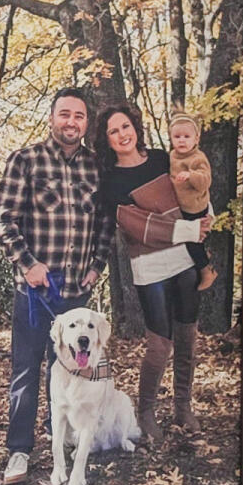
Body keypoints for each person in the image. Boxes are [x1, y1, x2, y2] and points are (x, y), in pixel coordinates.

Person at [0, 87, 102, 483]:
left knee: (75, 370)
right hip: (36, 294)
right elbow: (3, 220)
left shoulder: (94, 167)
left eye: (79, 116)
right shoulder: (26, 160)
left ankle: (64, 439)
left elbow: (103, 223)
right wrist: (28, 263)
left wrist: (97, 264)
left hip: (77, 294)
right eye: (65, 114)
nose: (71, 122)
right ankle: (19, 451)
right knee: (27, 370)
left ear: (86, 123)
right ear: (52, 117)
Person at [98, 98, 207, 441]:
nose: (122, 134)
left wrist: (205, 219)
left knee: (188, 336)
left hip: (185, 260)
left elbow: (191, 195)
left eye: (125, 126)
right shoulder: (111, 182)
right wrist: (187, 229)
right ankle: (145, 412)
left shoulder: (163, 158)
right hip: (149, 267)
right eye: (113, 131)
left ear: (136, 127)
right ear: (107, 140)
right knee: (160, 344)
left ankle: (183, 406)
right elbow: (138, 227)